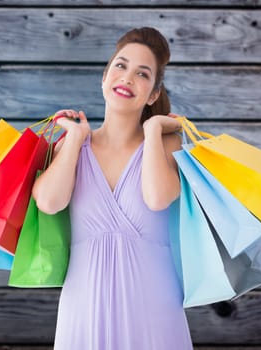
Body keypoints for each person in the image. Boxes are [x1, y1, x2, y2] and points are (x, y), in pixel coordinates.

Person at [32, 27, 193, 349]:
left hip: (154, 312)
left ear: (152, 95)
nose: (127, 77)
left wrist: (152, 131)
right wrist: (76, 139)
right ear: (104, 77)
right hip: (84, 309)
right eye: (120, 66)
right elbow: (49, 202)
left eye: (142, 73)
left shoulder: (168, 145)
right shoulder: (72, 145)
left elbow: (159, 198)